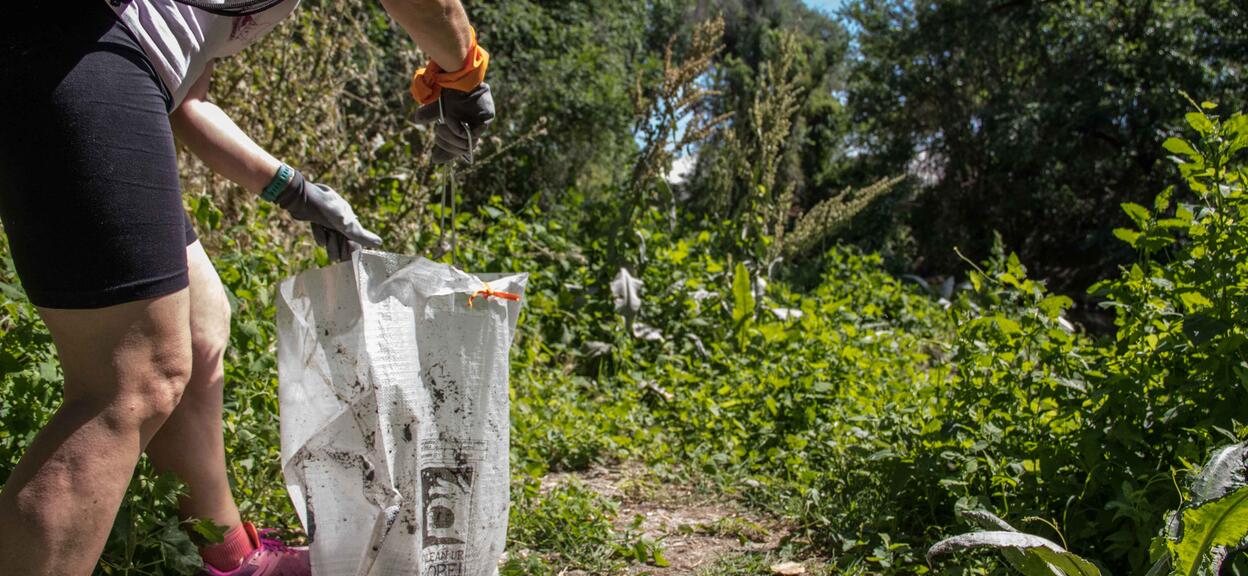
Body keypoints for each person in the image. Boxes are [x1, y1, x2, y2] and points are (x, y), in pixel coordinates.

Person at [0, 0, 494, 574]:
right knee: (132, 378)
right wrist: (464, 71)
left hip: (99, 55)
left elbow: (187, 97)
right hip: (69, 42)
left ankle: (230, 560)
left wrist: (298, 192)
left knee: (198, 323)